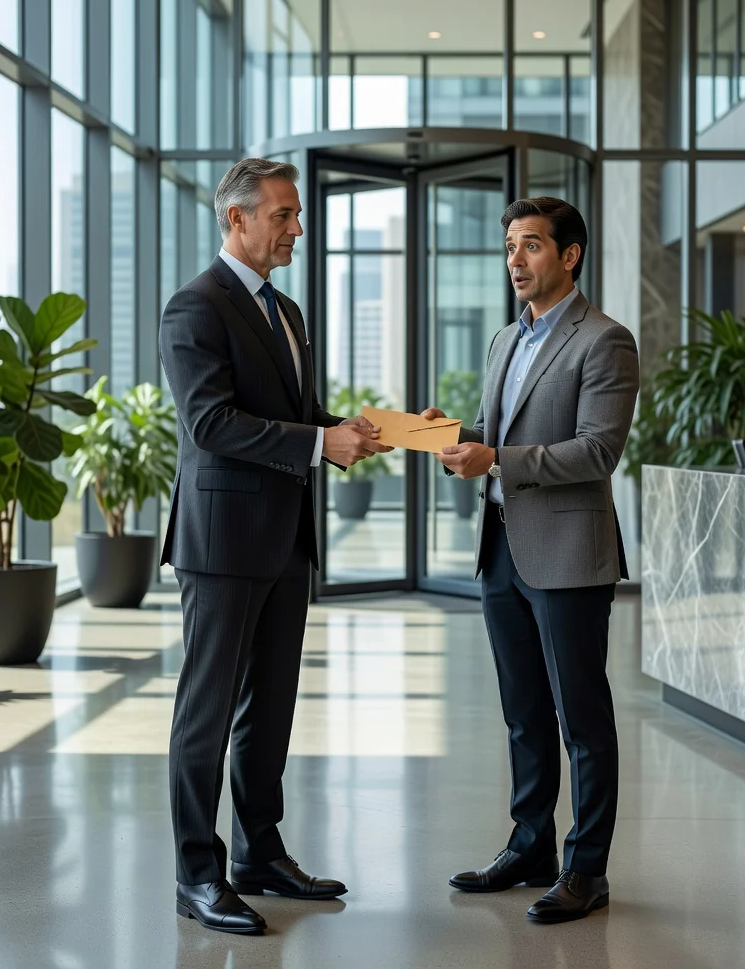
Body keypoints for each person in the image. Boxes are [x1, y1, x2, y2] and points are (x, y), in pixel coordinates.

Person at [159, 158, 391, 935]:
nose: (296, 228)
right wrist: (317, 440)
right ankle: (198, 873)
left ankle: (260, 853)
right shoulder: (194, 306)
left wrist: (362, 431)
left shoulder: (285, 312)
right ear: (238, 220)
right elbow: (210, 424)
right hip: (222, 543)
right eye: (283, 215)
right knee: (208, 710)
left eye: (295, 216)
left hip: (286, 538)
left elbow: (298, 414)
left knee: (270, 708)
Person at [421, 196, 639, 924]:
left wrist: (496, 457)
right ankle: (529, 846)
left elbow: (597, 450)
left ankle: (587, 868)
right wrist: (444, 432)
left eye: (532, 246)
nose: (515, 260)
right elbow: (492, 431)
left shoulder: (605, 340)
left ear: (569, 255)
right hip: (503, 551)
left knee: (581, 716)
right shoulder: (503, 342)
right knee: (522, 714)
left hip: (570, 554)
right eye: (510, 246)